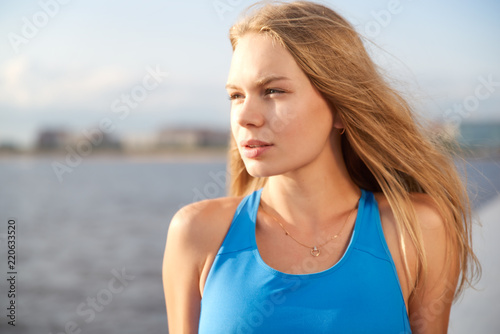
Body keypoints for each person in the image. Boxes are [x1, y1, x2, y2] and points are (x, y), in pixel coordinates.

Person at [162, 1, 480, 333]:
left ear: (341, 108)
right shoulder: (197, 234)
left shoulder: (414, 230)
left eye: (273, 91)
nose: (244, 117)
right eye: (236, 96)